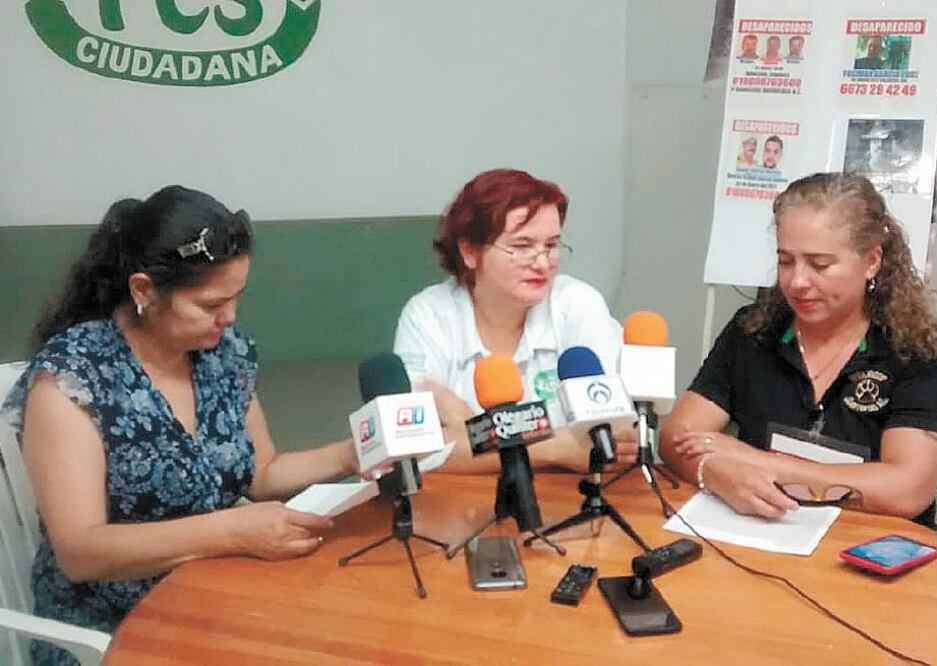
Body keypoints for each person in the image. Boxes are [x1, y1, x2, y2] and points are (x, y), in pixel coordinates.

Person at [1, 186, 359, 665]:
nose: (228, 319)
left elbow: (262, 473)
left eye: (236, 298)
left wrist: (354, 453)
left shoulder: (223, 357)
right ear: (144, 290)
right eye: (210, 305)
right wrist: (230, 532)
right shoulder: (73, 380)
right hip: (111, 635)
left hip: (216, 596)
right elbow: (81, 550)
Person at [659, 173, 937, 529]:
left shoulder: (918, 348)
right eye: (786, 261)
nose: (797, 282)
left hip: (871, 549)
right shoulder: (753, 331)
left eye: (820, 264)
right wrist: (715, 471)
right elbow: (677, 436)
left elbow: (906, 490)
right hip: (762, 535)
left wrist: (762, 464)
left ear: (871, 262)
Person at [393, 168, 635, 473]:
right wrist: (557, 446)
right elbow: (411, 450)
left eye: (551, 245)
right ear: (469, 251)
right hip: (461, 502)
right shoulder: (429, 315)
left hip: (571, 498)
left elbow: (614, 443)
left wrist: (474, 434)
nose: (543, 263)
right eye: (521, 247)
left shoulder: (578, 304)